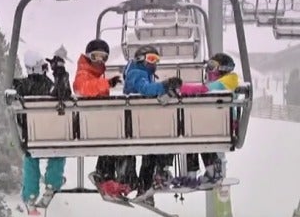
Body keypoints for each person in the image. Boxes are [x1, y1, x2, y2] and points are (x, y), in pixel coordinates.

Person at [73, 39, 138, 197]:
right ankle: (112, 178)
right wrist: (106, 84)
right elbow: (83, 88)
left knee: (120, 142)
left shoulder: (96, 76)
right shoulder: (83, 73)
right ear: (89, 57)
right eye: (95, 56)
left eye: (103, 57)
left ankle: (114, 179)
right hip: (89, 122)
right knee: (118, 142)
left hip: (98, 120)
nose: (99, 61)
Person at [122, 45, 182, 205]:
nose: (153, 63)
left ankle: (145, 188)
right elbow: (146, 90)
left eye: (156, 60)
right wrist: (165, 85)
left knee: (150, 155)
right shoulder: (136, 73)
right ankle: (148, 182)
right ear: (141, 59)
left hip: (141, 122)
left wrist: (166, 91)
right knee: (156, 149)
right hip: (137, 122)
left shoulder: (145, 74)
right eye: (150, 59)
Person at [14, 50, 69, 215]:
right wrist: (60, 72)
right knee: (58, 153)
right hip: (50, 133)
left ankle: (30, 195)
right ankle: (52, 183)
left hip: (31, 135)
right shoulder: (48, 85)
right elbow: (63, 93)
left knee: (31, 159)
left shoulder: (21, 86)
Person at [178, 52, 240, 187]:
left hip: (223, 124)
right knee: (198, 135)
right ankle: (210, 171)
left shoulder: (226, 82)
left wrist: (180, 88)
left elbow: (203, 89)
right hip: (217, 123)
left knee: (192, 135)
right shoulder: (224, 82)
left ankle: (194, 174)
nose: (208, 70)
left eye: (212, 66)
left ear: (222, 69)